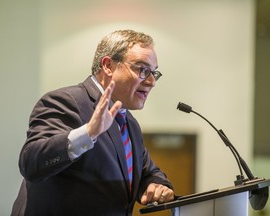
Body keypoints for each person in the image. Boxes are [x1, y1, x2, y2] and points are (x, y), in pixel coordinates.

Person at [11, 29, 174, 216]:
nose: (152, 81)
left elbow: (147, 172)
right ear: (108, 66)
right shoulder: (65, 101)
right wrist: (88, 133)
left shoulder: (129, 123)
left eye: (154, 73)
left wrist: (157, 184)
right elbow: (32, 163)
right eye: (142, 70)